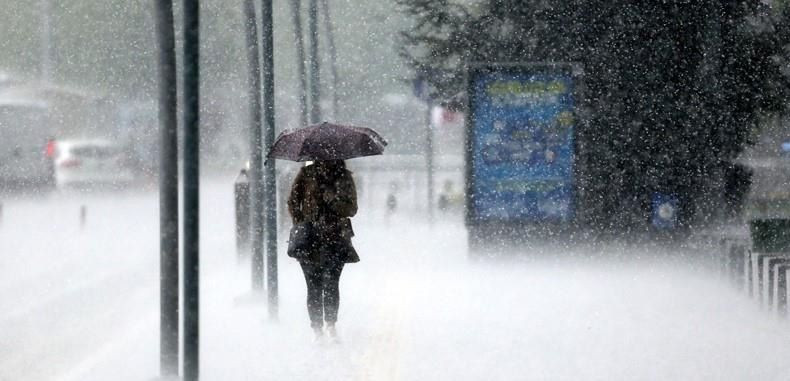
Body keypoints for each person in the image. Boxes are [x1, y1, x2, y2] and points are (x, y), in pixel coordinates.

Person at [287, 160, 359, 341]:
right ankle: (317, 328)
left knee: (332, 283)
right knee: (313, 285)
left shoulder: (344, 176)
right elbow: (293, 201)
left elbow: (352, 209)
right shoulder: (306, 174)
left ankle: (331, 324)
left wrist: (333, 200)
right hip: (310, 239)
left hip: (336, 237)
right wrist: (301, 222)